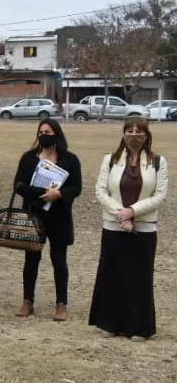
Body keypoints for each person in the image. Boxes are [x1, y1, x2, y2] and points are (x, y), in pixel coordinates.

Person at [90, 117, 168, 340]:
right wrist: (120, 214)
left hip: (144, 228)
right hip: (114, 226)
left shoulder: (158, 162)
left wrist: (133, 211)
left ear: (147, 135)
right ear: (123, 133)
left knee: (139, 277)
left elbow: (160, 195)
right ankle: (110, 323)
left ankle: (139, 327)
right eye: (130, 130)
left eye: (139, 131)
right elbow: (101, 191)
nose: (134, 135)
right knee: (112, 274)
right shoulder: (110, 160)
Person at [12, 120, 83, 321]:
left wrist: (58, 194)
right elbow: (18, 185)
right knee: (31, 259)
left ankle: (61, 303)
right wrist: (43, 192)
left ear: (57, 134)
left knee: (59, 260)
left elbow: (76, 188)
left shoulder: (70, 159)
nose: (44, 135)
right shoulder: (28, 158)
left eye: (48, 131)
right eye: (41, 131)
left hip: (59, 216)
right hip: (34, 215)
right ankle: (28, 301)